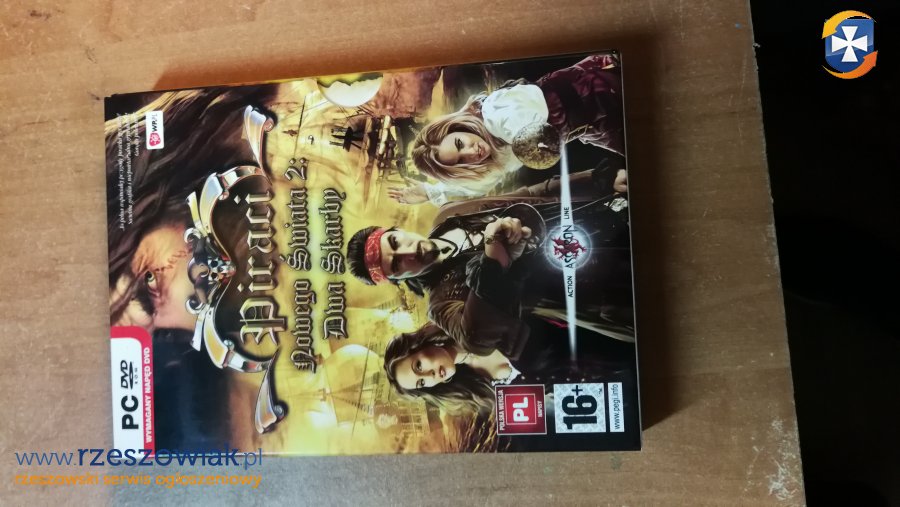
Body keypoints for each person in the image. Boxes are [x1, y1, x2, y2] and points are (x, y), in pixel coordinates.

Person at [348, 179, 635, 353]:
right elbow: (476, 339)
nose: (408, 251)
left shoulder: (448, 216)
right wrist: (493, 256)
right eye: (396, 264)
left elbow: (531, 194)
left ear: (397, 229)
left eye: (395, 241)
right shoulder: (440, 303)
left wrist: (601, 180)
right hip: (606, 296)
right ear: (398, 279)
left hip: (603, 225)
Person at [391, 53, 624, 205]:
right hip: (590, 126)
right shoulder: (495, 155)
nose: (471, 153)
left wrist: (527, 146)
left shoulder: (495, 112)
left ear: (457, 128)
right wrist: (430, 191)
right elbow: (476, 186)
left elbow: (529, 127)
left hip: (594, 92)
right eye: (461, 162)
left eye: (460, 143)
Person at [383, 322, 634, 416]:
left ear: (422, 345)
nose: (429, 376)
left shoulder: (471, 319)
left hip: (598, 329)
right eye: (421, 383)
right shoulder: (478, 391)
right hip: (610, 375)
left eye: (418, 366)